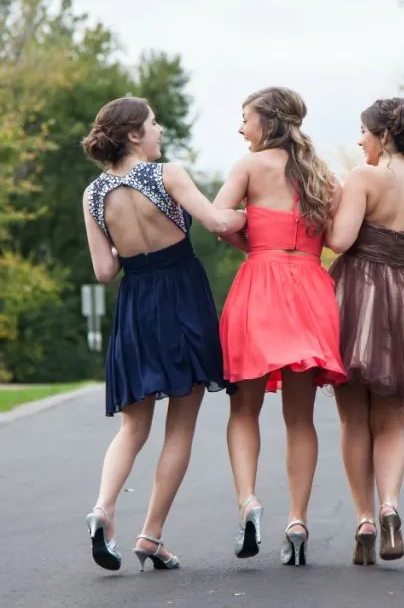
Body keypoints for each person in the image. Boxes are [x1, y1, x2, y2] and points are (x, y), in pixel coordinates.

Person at [82, 96, 245, 572]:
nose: (159, 130)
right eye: (153, 124)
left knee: (133, 426)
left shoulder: (93, 194)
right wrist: (263, 220)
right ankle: (151, 535)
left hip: (136, 305)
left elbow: (104, 271)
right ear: (134, 135)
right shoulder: (168, 175)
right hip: (182, 302)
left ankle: (102, 509)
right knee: (181, 425)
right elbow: (216, 221)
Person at [213, 87, 346, 566]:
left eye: (245, 118)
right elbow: (337, 238)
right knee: (300, 418)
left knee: (244, 410)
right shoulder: (322, 173)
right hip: (311, 288)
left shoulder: (248, 167)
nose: (240, 128)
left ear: (266, 122)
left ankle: (249, 503)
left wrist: (252, 242)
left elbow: (219, 220)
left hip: (260, 288)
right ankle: (297, 519)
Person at [328, 97, 404, 566]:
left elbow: (340, 240)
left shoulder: (364, 177)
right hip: (403, 306)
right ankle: (390, 508)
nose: (359, 141)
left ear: (383, 135)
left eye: (363, 131)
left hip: (354, 300)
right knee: (392, 422)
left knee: (352, 419)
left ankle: (362, 517)